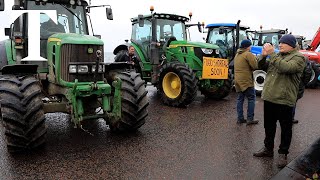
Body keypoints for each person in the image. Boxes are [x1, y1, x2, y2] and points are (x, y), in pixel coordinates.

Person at [253, 34, 306, 168]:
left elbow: (286, 68)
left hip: (285, 99)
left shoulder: (299, 58)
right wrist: (264, 56)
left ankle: (283, 153)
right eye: (280, 43)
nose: (280, 45)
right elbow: (261, 67)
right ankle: (268, 149)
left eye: (283, 43)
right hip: (270, 97)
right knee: (269, 126)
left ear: (291, 45)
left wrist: (272, 55)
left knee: (285, 128)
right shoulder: (278, 56)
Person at [234, 39, 259, 125]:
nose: (251, 47)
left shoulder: (237, 54)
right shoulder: (248, 54)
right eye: (250, 45)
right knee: (251, 98)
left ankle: (240, 118)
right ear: (248, 46)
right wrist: (255, 59)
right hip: (246, 80)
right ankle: (250, 119)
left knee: (240, 99)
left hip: (237, 80)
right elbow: (255, 66)